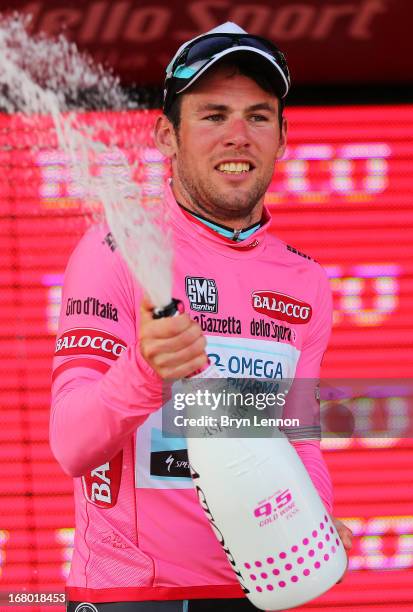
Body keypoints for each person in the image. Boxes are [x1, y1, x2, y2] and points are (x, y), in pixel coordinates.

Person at [51, 21, 353, 612]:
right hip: (134, 598)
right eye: (213, 115)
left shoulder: (306, 280)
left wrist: (315, 520)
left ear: (284, 136)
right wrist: (145, 371)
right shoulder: (117, 247)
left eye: (258, 117)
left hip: (261, 591)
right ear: (167, 135)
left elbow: (297, 438)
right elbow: (70, 444)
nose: (238, 136)